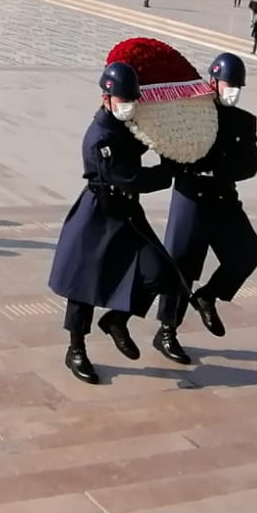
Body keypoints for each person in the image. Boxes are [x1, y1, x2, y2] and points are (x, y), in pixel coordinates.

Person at [46, 61, 186, 385]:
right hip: (99, 213)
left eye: (130, 100)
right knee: (83, 287)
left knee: (162, 275)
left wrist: (169, 139)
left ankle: (117, 320)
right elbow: (131, 177)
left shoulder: (124, 124)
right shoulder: (99, 137)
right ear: (105, 98)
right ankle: (76, 349)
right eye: (123, 100)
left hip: (127, 214)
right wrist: (168, 171)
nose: (128, 106)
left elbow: (142, 139)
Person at [151, 53, 257, 366]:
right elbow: (172, 151)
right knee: (181, 266)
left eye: (238, 86)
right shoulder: (191, 114)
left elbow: (250, 164)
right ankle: (166, 331)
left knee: (248, 254)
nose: (234, 91)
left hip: (223, 199)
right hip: (191, 198)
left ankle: (209, 296)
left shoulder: (245, 120)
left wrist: (214, 168)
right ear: (213, 82)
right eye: (230, 84)